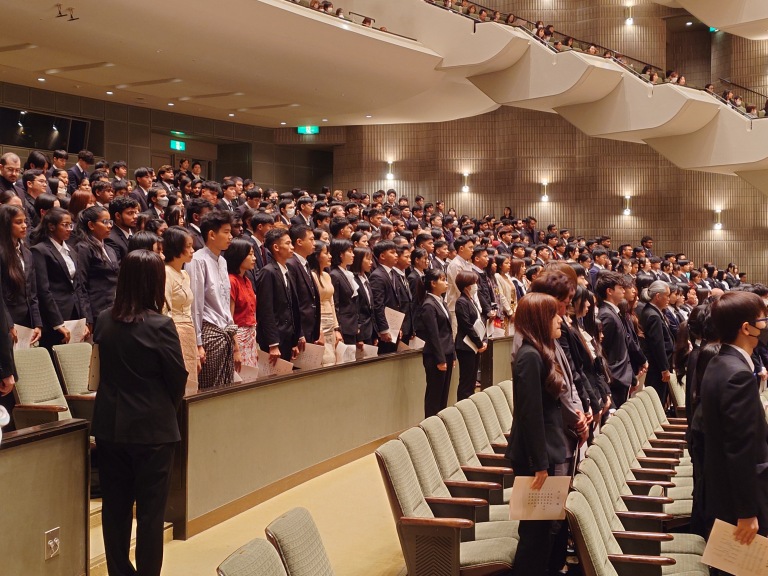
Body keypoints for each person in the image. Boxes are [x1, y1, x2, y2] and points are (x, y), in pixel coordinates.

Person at [91, 250, 188, 576]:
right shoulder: (161, 325)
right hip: (153, 430)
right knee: (150, 514)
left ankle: (120, 572)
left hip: (110, 429)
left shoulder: (104, 319)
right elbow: (178, 377)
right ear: (154, 282)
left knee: (114, 510)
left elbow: (100, 373)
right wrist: (164, 409)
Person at [504, 292, 568, 576]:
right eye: (554, 315)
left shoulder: (541, 351)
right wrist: (539, 465)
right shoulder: (529, 357)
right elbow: (530, 415)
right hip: (534, 460)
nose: (560, 320)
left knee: (542, 532)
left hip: (544, 452)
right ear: (540, 319)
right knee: (534, 535)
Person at [700, 291, 768, 545]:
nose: (766, 324)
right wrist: (747, 511)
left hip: (722, 491)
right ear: (746, 328)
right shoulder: (737, 375)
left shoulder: (720, 363)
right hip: (738, 502)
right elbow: (741, 450)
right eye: (763, 319)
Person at [187, 210, 240, 388]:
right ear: (211, 234)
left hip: (224, 331)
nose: (230, 236)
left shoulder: (223, 261)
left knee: (226, 387)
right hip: (208, 332)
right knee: (210, 388)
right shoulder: (197, 260)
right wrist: (198, 343)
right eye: (226, 232)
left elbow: (224, 302)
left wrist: (234, 340)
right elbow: (195, 305)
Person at [30, 207, 91, 349]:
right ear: (51, 226)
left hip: (75, 314)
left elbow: (78, 288)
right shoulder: (40, 250)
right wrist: (57, 323)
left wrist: (85, 320)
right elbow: (44, 291)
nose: (70, 229)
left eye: (71, 225)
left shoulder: (71, 250)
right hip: (55, 317)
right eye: (65, 225)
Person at [255, 228, 302, 363]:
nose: (292, 247)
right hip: (276, 340)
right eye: (287, 243)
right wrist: (273, 344)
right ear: (276, 247)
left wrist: (295, 339)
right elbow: (266, 310)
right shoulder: (268, 272)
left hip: (288, 337)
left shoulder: (288, 269)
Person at [162, 226, 198, 393]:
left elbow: (189, 310)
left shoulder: (185, 274)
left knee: (191, 386)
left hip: (188, 332)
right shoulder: (165, 272)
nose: (192, 250)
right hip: (174, 333)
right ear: (176, 247)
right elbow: (164, 312)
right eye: (188, 246)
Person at [0, 205, 42, 347]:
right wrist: (8, 324)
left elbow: (32, 292)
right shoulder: (1, 253)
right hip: (7, 321)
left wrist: (37, 323)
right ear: (6, 224)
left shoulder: (27, 252)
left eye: (25, 222)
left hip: (27, 320)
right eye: (18, 222)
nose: (24, 226)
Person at [416, 268, 454, 417]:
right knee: (434, 395)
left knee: (444, 395)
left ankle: (440, 427)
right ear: (433, 283)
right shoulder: (428, 305)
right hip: (435, 356)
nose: (446, 283)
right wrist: (441, 359)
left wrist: (453, 355)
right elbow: (433, 335)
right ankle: (430, 429)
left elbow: (448, 331)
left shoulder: (441, 302)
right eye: (443, 279)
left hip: (447, 353)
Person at [74, 206, 119, 329]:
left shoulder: (109, 249)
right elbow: (80, 285)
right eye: (105, 222)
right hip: (96, 311)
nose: (109, 226)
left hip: (113, 307)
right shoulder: (83, 248)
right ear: (91, 225)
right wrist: (87, 317)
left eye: (110, 222)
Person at [596, 271, 634, 407]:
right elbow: (602, 350)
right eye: (620, 288)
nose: (624, 291)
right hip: (615, 378)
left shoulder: (613, 312)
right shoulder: (606, 315)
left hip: (622, 376)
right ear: (609, 291)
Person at [224, 238, 258, 369]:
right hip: (238, 337)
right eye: (250, 254)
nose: (254, 258)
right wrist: (235, 349)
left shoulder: (247, 280)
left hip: (251, 336)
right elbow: (230, 319)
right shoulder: (231, 281)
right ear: (238, 255)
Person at [454, 270, 487, 401]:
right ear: (467, 285)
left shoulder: (471, 300)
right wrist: (479, 343)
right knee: (466, 381)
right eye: (474, 283)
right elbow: (466, 325)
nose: (476, 285)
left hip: (474, 346)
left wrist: (482, 341)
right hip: (466, 346)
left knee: (472, 380)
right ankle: (462, 409)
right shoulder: (461, 301)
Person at [639, 280, 674, 402]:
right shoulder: (653, 315)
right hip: (657, 368)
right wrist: (664, 369)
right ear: (658, 296)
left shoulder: (652, 311)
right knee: (658, 400)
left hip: (658, 366)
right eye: (667, 296)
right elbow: (657, 344)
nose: (669, 299)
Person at [309, 241, 342, 366]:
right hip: (320, 323)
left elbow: (331, 302)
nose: (330, 256)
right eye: (326, 253)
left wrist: (336, 328)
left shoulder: (327, 275)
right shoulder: (311, 275)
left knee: (333, 360)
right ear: (317, 256)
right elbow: (313, 305)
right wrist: (319, 330)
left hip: (330, 323)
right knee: (324, 361)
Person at [329, 239, 360, 347]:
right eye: (350, 251)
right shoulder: (334, 274)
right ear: (341, 254)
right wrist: (338, 329)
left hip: (352, 326)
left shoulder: (346, 273)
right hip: (344, 327)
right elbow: (335, 304)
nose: (353, 255)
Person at [351, 246, 375, 345]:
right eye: (368, 259)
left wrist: (375, 334)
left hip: (370, 330)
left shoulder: (367, 277)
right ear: (359, 260)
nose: (371, 262)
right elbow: (355, 309)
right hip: (360, 331)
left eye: (371, 259)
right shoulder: (353, 279)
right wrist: (358, 337)